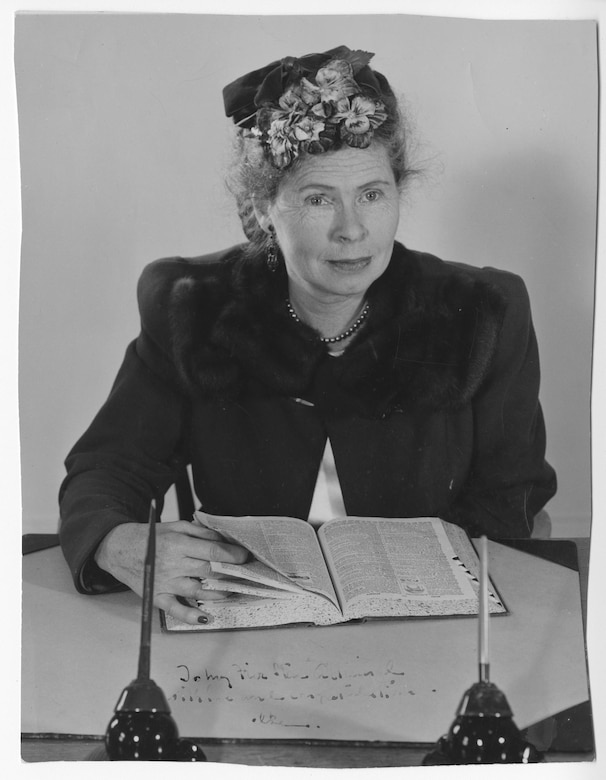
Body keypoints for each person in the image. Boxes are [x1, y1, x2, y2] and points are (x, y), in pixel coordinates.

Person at [59, 45, 557, 626]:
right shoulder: (196, 306)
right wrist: (117, 542)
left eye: (373, 194)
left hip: (430, 624)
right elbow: (110, 468)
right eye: (319, 199)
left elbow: (512, 500)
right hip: (240, 618)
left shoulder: (480, 312)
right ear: (264, 210)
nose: (352, 230)